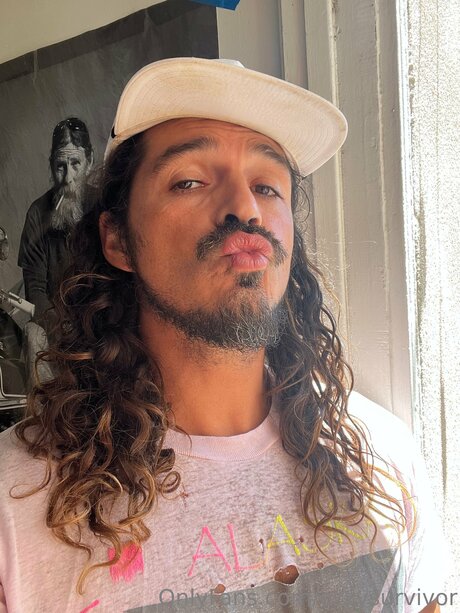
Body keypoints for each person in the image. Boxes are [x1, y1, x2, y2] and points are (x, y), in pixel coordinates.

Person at [0, 58, 446, 613]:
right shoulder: (16, 504)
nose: (246, 207)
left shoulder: (383, 459)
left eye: (268, 186)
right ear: (117, 240)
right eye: (189, 180)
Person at [17, 117, 94, 326]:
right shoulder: (37, 213)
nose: (68, 178)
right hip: (58, 325)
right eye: (61, 166)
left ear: (89, 162)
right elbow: (35, 291)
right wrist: (63, 329)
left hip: (102, 323)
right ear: (51, 165)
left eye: (75, 164)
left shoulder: (103, 206)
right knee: (33, 335)